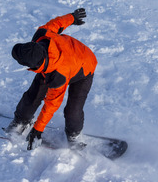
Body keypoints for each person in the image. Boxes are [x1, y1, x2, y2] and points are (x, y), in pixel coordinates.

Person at [7, 8, 97, 150]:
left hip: (84, 69)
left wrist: (38, 129)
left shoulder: (57, 75)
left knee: (73, 109)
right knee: (33, 95)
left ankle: (73, 134)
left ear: (32, 65)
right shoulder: (41, 35)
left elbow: (52, 103)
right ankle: (21, 120)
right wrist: (72, 17)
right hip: (60, 60)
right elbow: (57, 23)